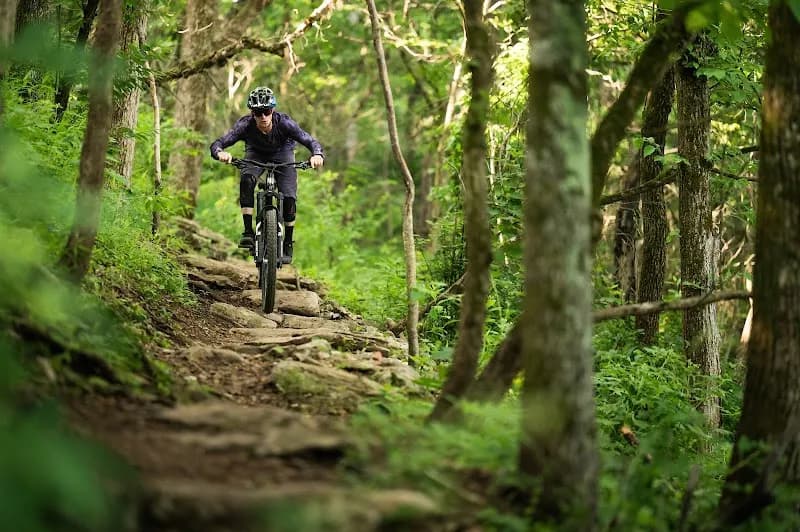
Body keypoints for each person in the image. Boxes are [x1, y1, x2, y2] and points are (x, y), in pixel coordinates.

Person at [210, 86, 324, 263]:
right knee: (247, 180)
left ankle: (288, 240)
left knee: (289, 198)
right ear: (252, 113)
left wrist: (317, 154)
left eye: (266, 111)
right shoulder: (245, 125)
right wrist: (220, 153)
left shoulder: (285, 123)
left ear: (273, 110)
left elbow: (309, 140)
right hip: (255, 154)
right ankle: (248, 232)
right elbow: (219, 143)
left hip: (283, 153)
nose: (263, 117)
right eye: (258, 112)